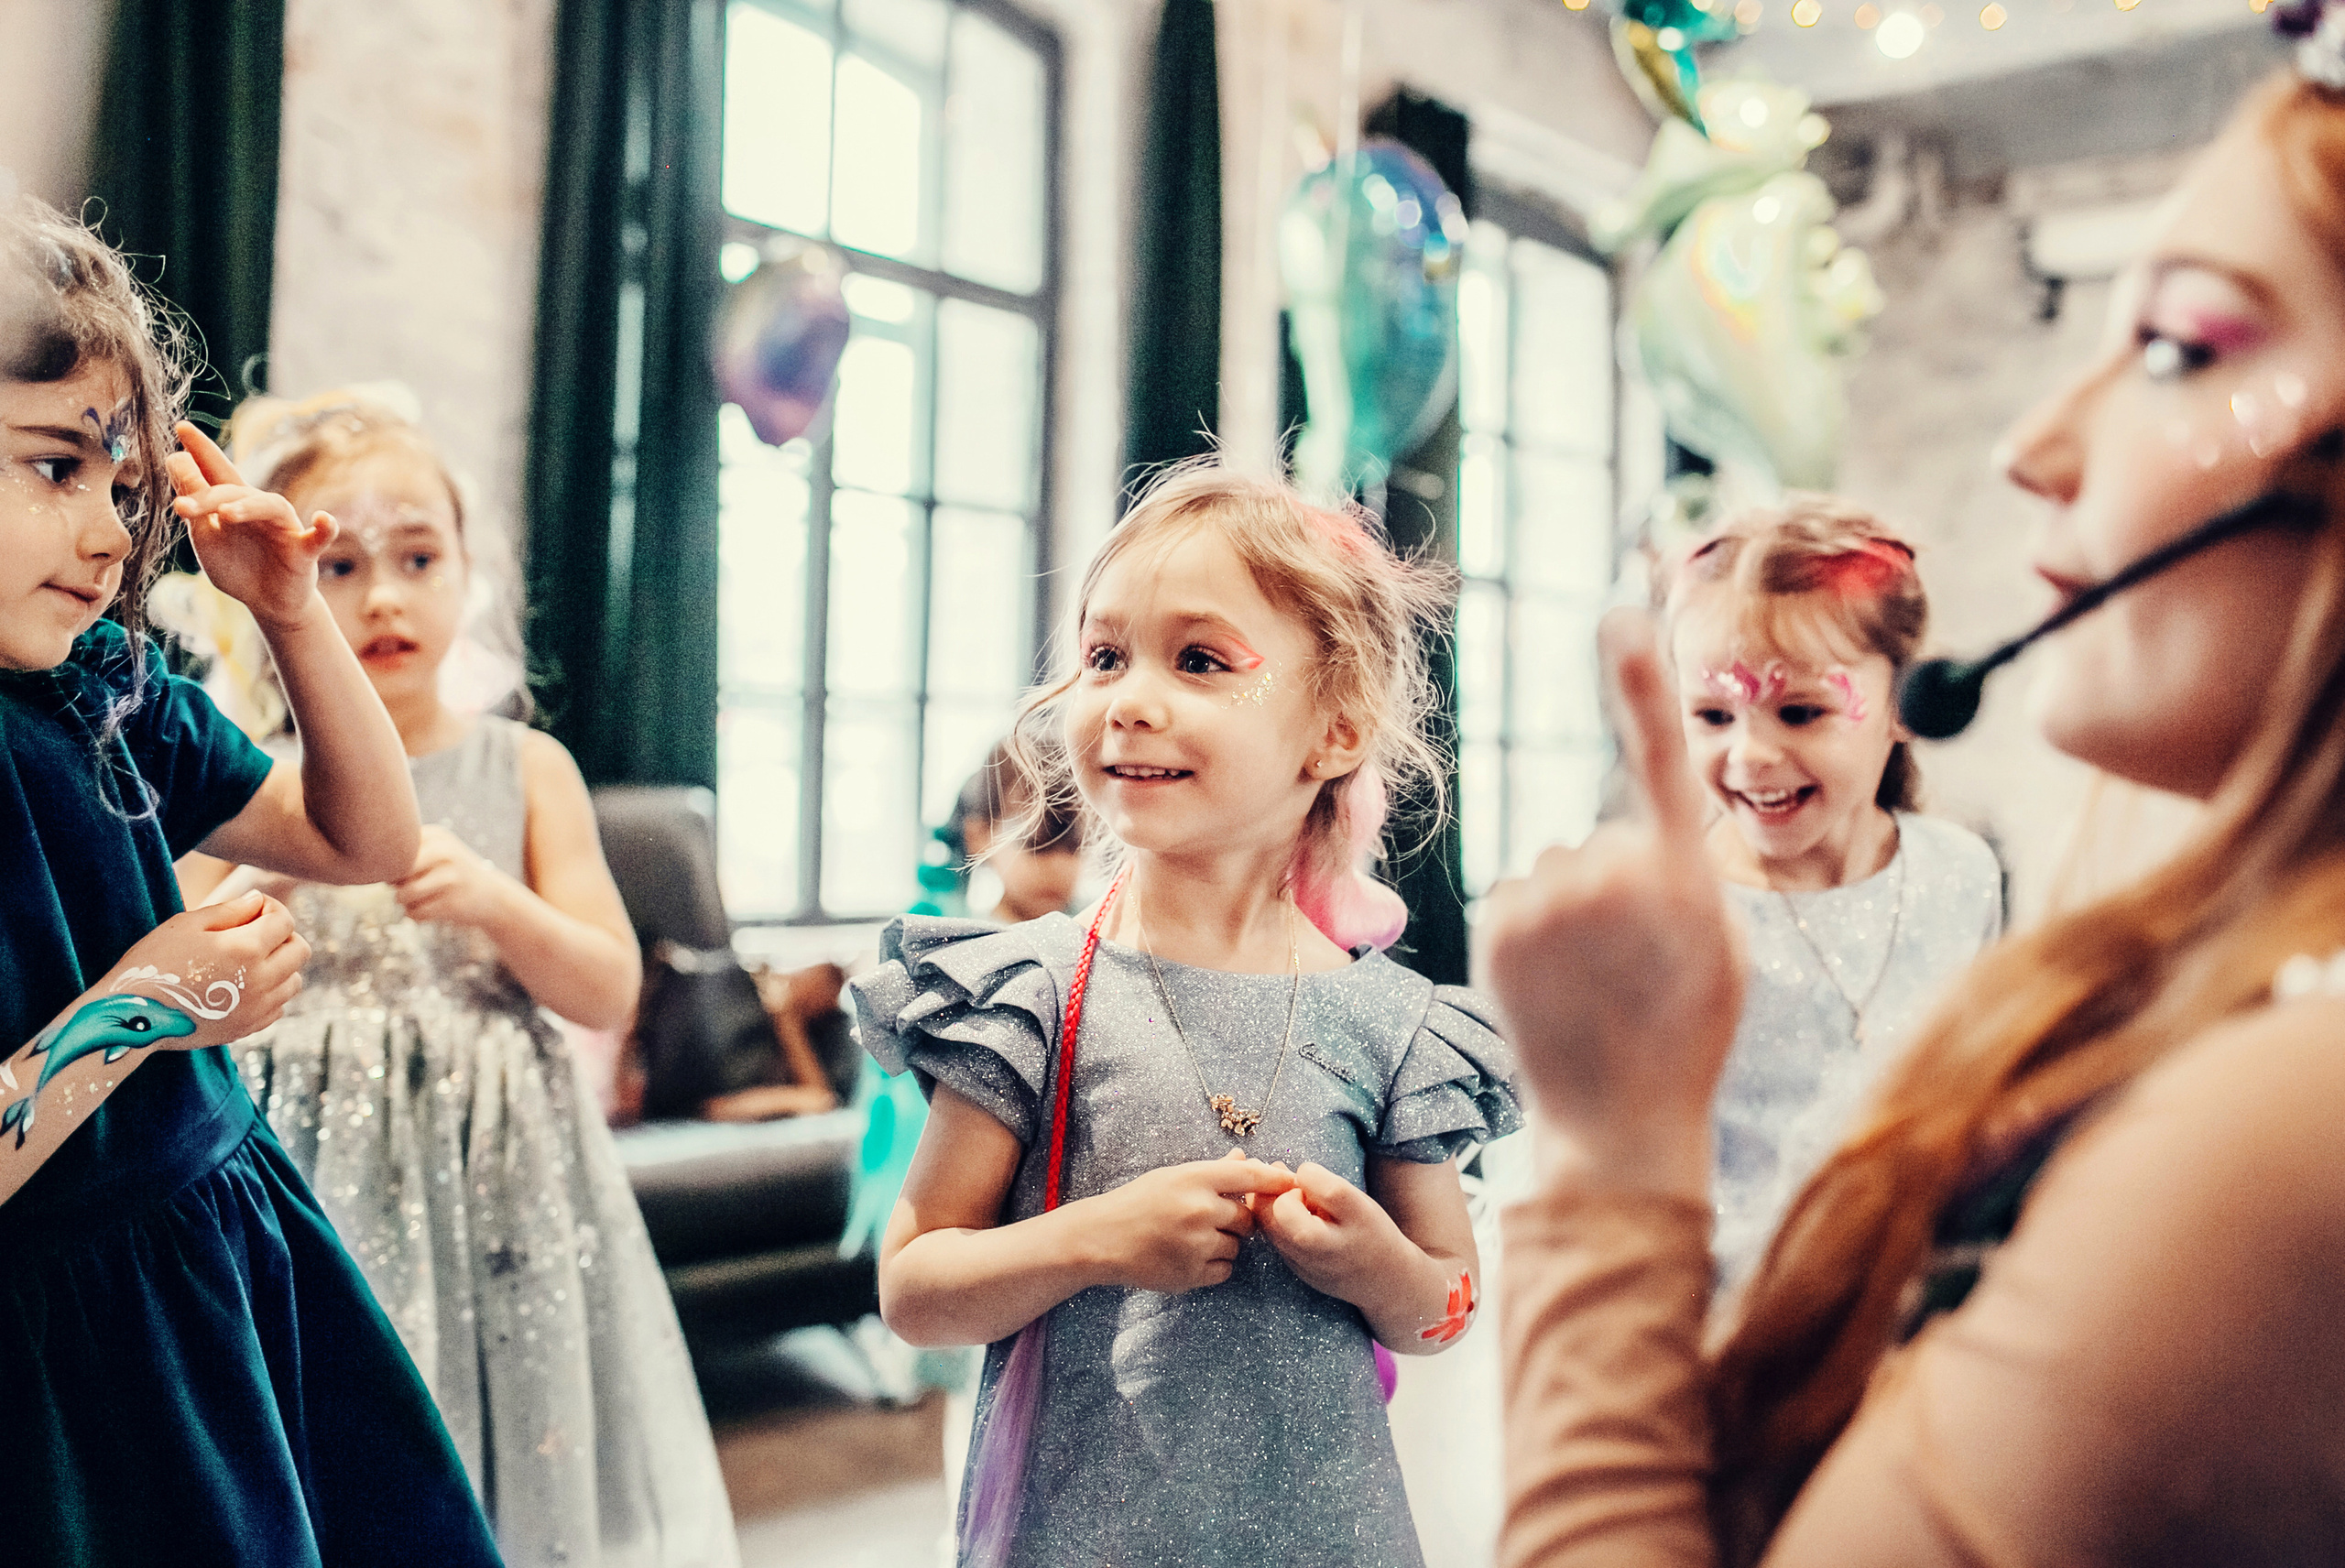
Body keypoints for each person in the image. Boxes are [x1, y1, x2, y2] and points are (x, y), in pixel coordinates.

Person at [1482, 46, 2345, 1568]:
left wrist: (1606, 1153)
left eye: (2177, 347)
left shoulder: (2289, 1115)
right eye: (1717, 710)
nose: (2032, 447)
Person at [850, 464, 1522, 1568]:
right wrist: (1096, 1237)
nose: (1129, 696)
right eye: (1105, 655)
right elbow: (914, 1290)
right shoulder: (1033, 992)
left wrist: (1374, 1267)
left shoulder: (1392, 1023)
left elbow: (1445, 1307)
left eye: (1200, 660)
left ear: (1335, 732)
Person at [0, 200, 500, 1564]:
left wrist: (291, 614)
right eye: (55, 469)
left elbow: (365, 843)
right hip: (48, 1355)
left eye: (120, 484)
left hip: (209, 1262)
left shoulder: (99, 681)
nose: (111, 536)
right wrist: (142, 1008)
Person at [177, 388, 739, 1568]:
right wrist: (242, 908)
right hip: (313, 1158)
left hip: (505, 1180)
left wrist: (497, 901)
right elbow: (165, 973)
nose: (383, 596)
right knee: (341, 1420)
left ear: (466, 572)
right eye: (341, 566)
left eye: (418, 556)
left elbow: (603, 989)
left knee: (512, 1425)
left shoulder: (526, 767)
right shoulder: (252, 781)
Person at [1661, 500, 2001, 1280]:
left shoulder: (1962, 875)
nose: (1748, 755)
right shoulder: (1671, 912)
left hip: (1910, 1300)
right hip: (1729, 1323)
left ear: (1906, 702)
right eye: (1712, 714)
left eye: (1801, 711)